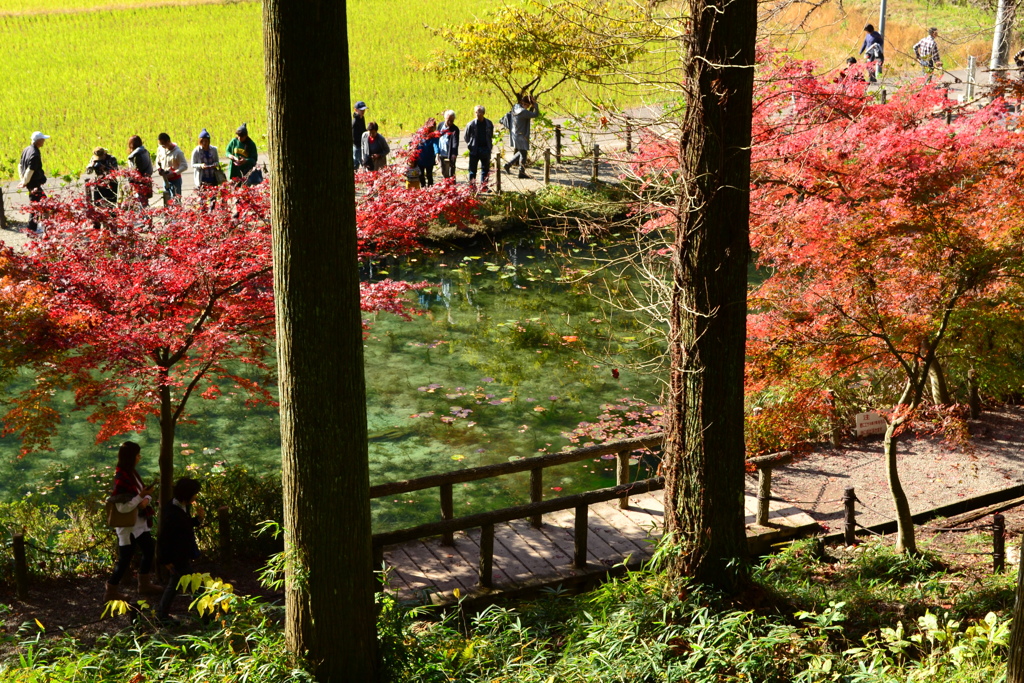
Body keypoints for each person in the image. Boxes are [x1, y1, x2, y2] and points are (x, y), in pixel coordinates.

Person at [104, 441, 163, 602]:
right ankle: (111, 590)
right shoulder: (121, 477)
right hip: (128, 526)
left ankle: (144, 584)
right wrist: (140, 498)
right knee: (125, 559)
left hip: (140, 522)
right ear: (131, 457)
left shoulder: (132, 474)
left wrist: (146, 498)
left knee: (149, 551)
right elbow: (123, 508)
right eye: (137, 455)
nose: (139, 457)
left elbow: (142, 494)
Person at [156, 477, 205, 622]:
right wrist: (165, 560)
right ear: (187, 494)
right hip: (177, 557)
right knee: (195, 587)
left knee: (175, 586)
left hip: (181, 555)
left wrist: (198, 519)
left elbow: (185, 525)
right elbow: (164, 538)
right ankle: (205, 614)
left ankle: (162, 615)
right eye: (194, 493)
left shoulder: (179, 506)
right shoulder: (172, 513)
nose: (196, 496)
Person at [18, 131, 49, 235]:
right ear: (39, 141)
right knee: (38, 205)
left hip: (30, 182)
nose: (44, 141)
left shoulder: (27, 149)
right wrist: (24, 181)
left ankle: (36, 227)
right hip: (34, 183)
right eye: (43, 139)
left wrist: (22, 180)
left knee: (39, 204)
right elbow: (30, 170)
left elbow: (20, 165)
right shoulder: (35, 154)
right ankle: (32, 228)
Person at [503, 93, 539, 179]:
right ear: (524, 103)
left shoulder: (515, 107)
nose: (527, 106)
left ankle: (508, 165)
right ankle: (521, 172)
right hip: (521, 135)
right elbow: (536, 115)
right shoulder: (523, 112)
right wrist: (536, 105)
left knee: (521, 152)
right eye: (527, 105)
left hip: (515, 134)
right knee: (523, 154)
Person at [463, 105, 494, 188]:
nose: (477, 114)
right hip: (474, 150)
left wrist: (488, 147)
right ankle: (472, 188)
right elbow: (466, 137)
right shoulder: (471, 124)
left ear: (483, 113)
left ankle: (484, 187)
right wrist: (471, 145)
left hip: (485, 149)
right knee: (472, 171)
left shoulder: (489, 123)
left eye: (479, 112)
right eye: (476, 112)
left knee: (485, 170)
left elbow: (490, 135)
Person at [156, 133, 188, 201]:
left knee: (176, 200)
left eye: (163, 144)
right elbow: (157, 160)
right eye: (160, 144)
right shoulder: (160, 149)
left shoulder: (178, 152)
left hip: (175, 180)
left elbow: (184, 166)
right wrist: (159, 169)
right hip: (165, 179)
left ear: (168, 141)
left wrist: (174, 173)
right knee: (167, 200)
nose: (162, 146)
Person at [126, 136, 154, 207]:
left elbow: (137, 171)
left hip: (139, 183)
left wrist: (131, 180)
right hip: (147, 180)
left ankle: (145, 217)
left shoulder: (136, 155)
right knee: (144, 202)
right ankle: (147, 217)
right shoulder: (144, 151)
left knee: (140, 203)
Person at [436, 110, 460, 181]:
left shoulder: (455, 129)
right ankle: (446, 185)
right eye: (448, 120)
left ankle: (452, 186)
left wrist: (454, 154)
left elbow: (455, 143)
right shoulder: (440, 125)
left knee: (451, 172)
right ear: (444, 118)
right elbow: (437, 137)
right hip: (441, 152)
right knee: (443, 171)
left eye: (452, 121)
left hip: (450, 153)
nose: (450, 122)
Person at [416, 118, 437, 187]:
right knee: (421, 175)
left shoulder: (434, 135)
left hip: (429, 158)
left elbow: (435, 145)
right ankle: (423, 186)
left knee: (429, 175)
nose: (434, 129)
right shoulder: (420, 133)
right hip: (420, 158)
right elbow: (414, 143)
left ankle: (430, 188)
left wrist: (437, 154)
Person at [352, 101, 368, 171]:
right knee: (356, 164)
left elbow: (363, 130)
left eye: (364, 109)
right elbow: (354, 137)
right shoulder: (354, 122)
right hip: (357, 146)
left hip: (363, 145)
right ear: (356, 110)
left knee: (363, 163)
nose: (363, 111)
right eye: (361, 110)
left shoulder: (362, 118)